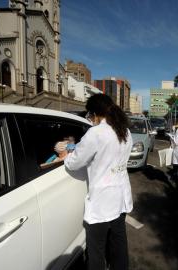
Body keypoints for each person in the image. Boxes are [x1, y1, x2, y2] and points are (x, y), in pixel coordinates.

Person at [63, 94, 133, 270]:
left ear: (95, 113)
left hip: (102, 203)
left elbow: (74, 163)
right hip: (120, 200)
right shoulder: (125, 131)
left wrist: (66, 154)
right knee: (118, 248)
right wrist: (76, 147)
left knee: (96, 251)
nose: (90, 120)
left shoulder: (96, 133)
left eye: (89, 116)